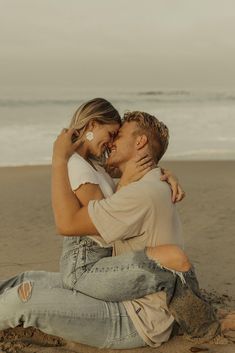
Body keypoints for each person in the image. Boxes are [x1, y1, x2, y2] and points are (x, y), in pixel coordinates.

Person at [60, 98, 186, 301]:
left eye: (117, 136)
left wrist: (163, 172)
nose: (112, 143)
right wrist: (126, 182)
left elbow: (130, 175)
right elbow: (100, 216)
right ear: (93, 125)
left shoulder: (96, 165)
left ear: (140, 141)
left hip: (101, 261)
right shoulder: (79, 166)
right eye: (112, 135)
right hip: (84, 264)